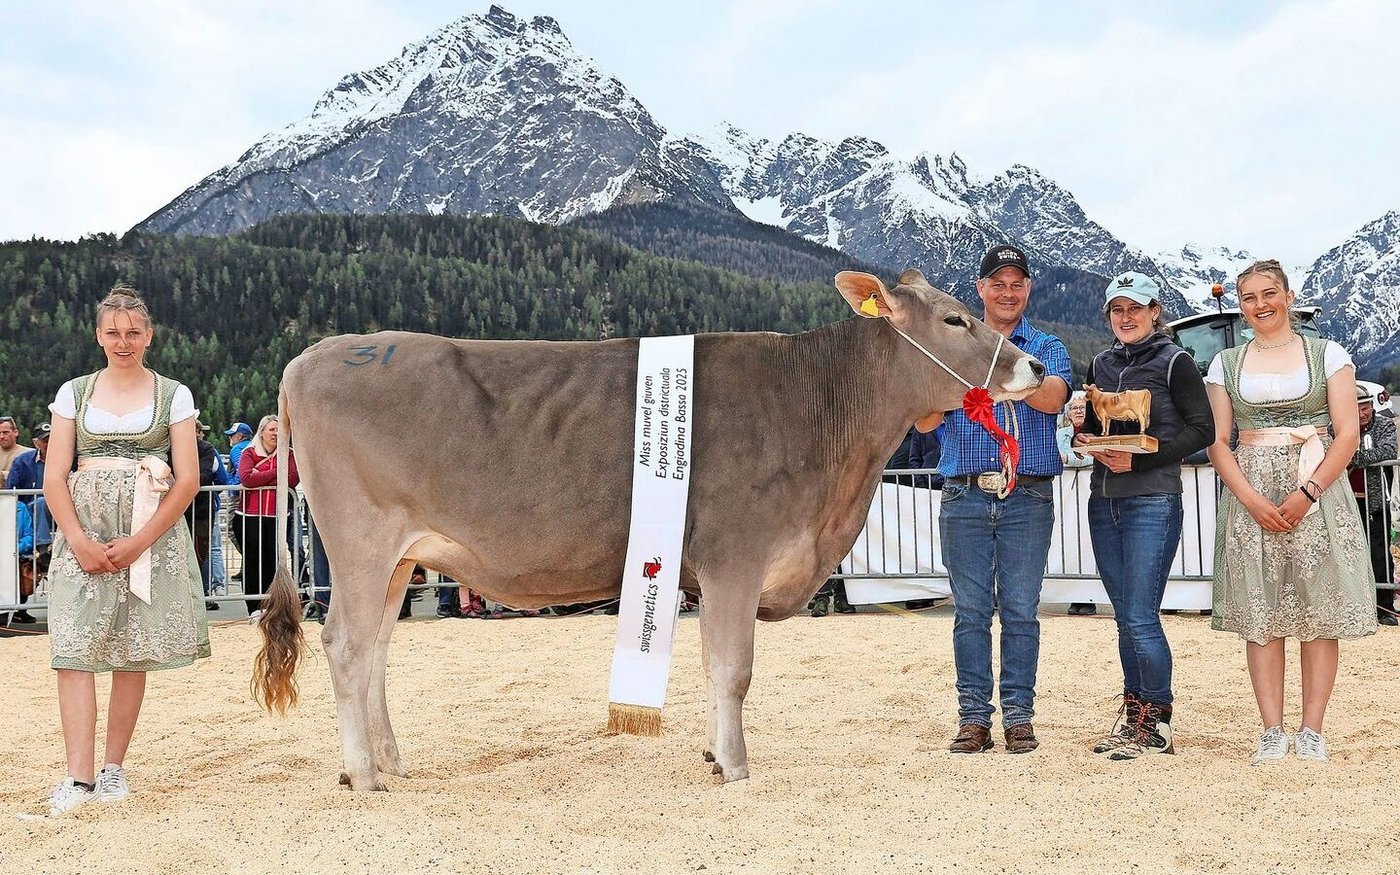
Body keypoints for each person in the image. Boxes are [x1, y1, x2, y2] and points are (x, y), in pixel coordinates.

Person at [41, 283, 210, 816]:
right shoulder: (74, 392)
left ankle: (113, 769)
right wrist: (77, 540)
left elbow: (187, 480)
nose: (123, 341)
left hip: (147, 531)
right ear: (98, 336)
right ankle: (78, 777)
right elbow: (54, 475)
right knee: (73, 651)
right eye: (113, 332)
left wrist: (140, 541)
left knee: (128, 652)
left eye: (133, 332)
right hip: (83, 529)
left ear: (149, 336)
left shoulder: (173, 394)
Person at [1205, 259, 1376, 764]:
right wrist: (1251, 499)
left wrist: (1309, 491)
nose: (1260, 305)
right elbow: (1218, 441)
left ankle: (1312, 729)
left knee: (1318, 605)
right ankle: (1271, 729)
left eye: (1268, 293)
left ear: (1288, 294)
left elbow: (1346, 432)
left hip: (1317, 484)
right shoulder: (1226, 364)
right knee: (1263, 608)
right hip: (1251, 486)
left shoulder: (1328, 354)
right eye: (1249, 298)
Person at [922, 244, 1071, 754]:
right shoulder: (953, 345)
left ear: (1028, 289)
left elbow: (1053, 399)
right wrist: (948, 383)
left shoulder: (1047, 345)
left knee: (1022, 610)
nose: (1008, 292)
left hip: (1027, 493)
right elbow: (924, 421)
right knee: (969, 611)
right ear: (980, 289)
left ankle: (1020, 716)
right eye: (998, 283)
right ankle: (972, 718)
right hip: (963, 491)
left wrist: (996, 371)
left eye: (1017, 283)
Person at [1073, 272, 1212, 759]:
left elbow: (1203, 431)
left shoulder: (1176, 361)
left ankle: (1158, 722)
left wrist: (1143, 459)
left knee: (1139, 615)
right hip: (1104, 497)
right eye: (1117, 309)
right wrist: (1084, 437)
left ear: (1155, 311)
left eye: (1135, 308)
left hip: (1152, 498)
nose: (1126, 317)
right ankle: (1135, 716)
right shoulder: (1100, 363)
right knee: (1124, 617)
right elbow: (1095, 428)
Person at [233, 415, 298, 621]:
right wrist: (278, 472)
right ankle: (254, 607)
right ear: (261, 432)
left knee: (273, 561)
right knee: (252, 561)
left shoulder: (289, 454)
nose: (275, 433)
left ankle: (272, 606)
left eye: (279, 429)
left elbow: (293, 479)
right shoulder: (249, 452)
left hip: (277, 516)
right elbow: (246, 479)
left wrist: (261, 472)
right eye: (271, 429)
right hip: (250, 516)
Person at [1348, 384, 1397, 625]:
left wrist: (1354, 457)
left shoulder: (1384, 425)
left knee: (1380, 553)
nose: (1362, 413)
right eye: (1357, 408)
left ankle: (1385, 608)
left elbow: (1388, 450)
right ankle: (1358, 607)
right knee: (1350, 554)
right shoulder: (1339, 427)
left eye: (1365, 407)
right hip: (1347, 501)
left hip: (1377, 500)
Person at [1057, 396, 1096, 616]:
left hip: (1090, 490)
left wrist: (1070, 459)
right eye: (1075, 408)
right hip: (1068, 496)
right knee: (1071, 543)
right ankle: (1073, 593)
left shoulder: (1095, 432)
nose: (1079, 411)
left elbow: (1094, 456)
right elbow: (1056, 454)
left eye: (1082, 408)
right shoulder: (1061, 434)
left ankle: (1090, 595)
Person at [0, 415, 31, 482]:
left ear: (16, 432)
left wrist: (2, 475)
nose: (1, 436)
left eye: (5, 433)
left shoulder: (29, 454)